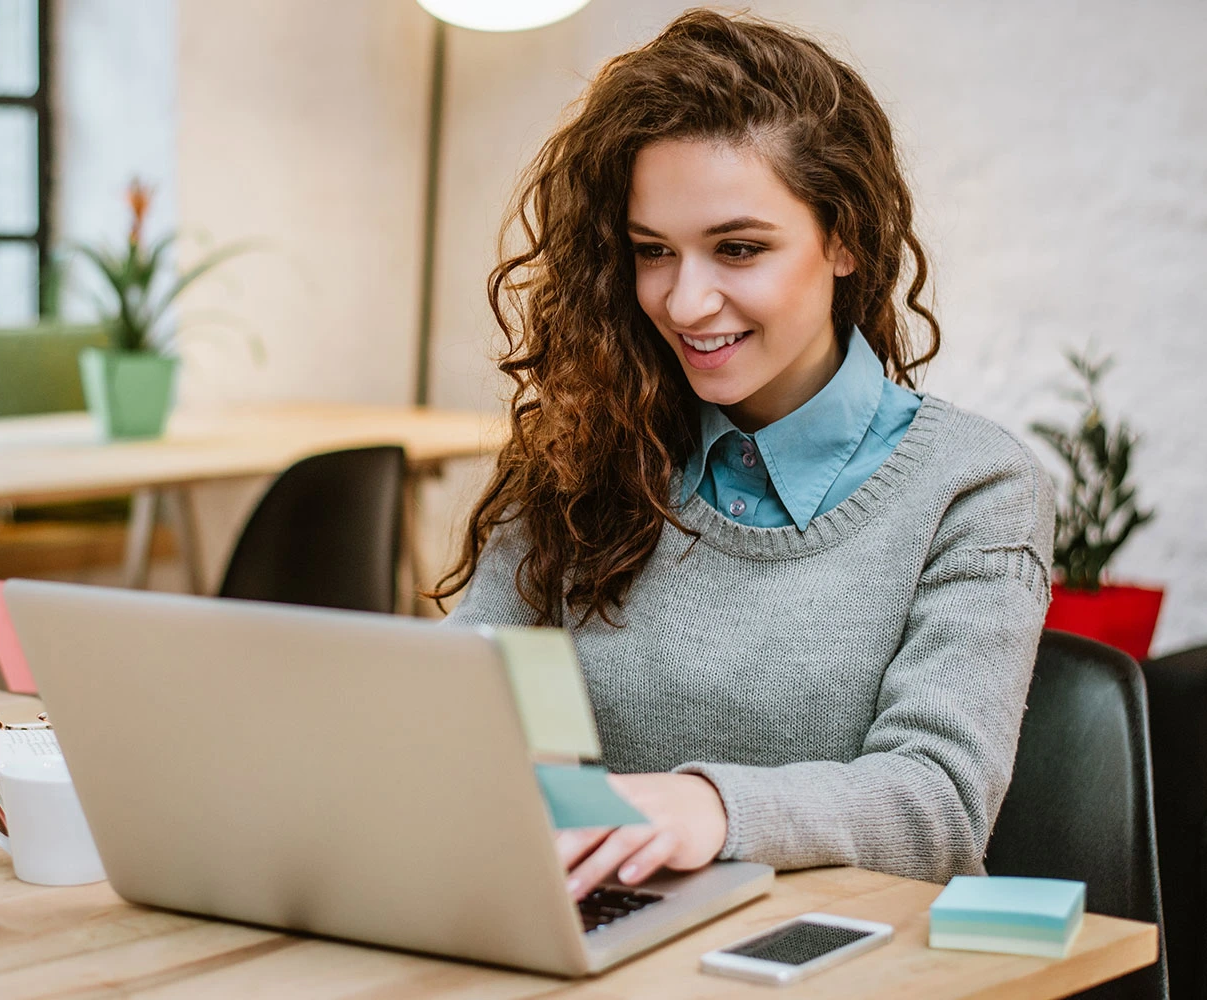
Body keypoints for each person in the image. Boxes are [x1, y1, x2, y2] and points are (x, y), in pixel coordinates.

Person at [434, 9, 1055, 899]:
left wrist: (707, 808)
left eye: (739, 249)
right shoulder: (587, 450)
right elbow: (462, 704)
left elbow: (937, 803)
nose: (687, 303)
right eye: (654, 252)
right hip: (594, 941)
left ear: (844, 238)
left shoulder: (976, 488)